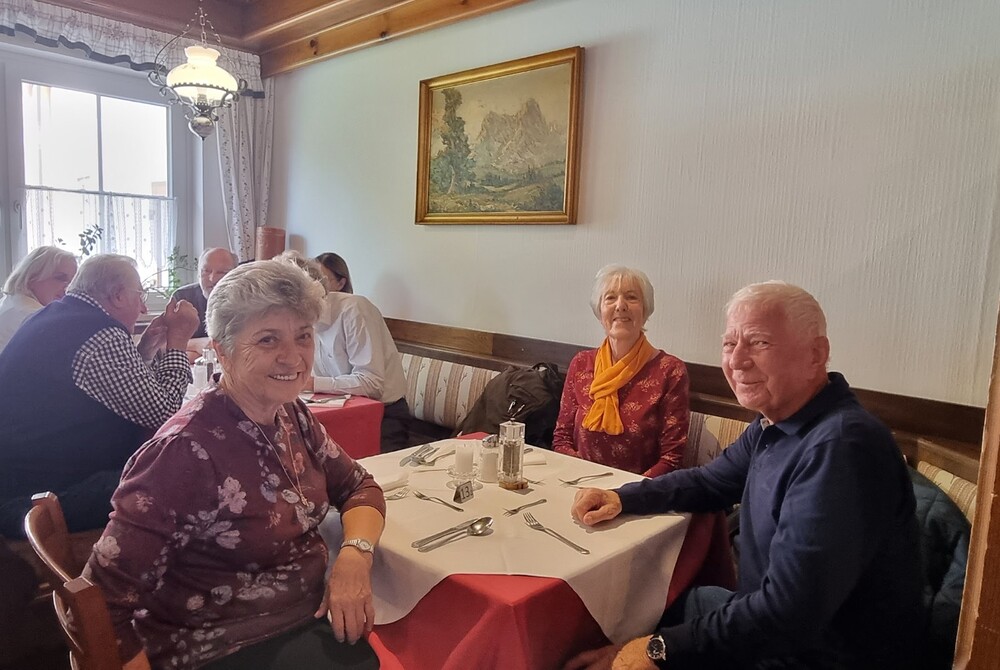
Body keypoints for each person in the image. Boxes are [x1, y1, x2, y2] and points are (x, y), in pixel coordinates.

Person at [567, 281, 924, 670]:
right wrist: (624, 497)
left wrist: (658, 650)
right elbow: (709, 482)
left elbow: (788, 615)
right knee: (635, 610)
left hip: (818, 656)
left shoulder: (841, 447)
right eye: (729, 344)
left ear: (816, 354)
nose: (736, 361)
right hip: (771, 628)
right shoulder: (778, 421)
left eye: (759, 343)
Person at [83, 260, 385, 670]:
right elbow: (100, 598)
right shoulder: (183, 453)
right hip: (218, 647)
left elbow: (359, 487)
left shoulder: (291, 414)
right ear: (222, 352)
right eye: (267, 340)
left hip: (301, 619)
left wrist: (355, 555)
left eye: (303, 336)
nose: (293, 357)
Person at [0, 254, 199, 538]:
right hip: (38, 497)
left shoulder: (57, 315)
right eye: (140, 296)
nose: (144, 307)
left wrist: (144, 351)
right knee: (183, 470)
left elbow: (119, 393)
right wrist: (178, 340)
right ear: (118, 295)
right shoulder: (99, 335)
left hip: (20, 478)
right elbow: (164, 413)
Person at [552, 265, 689, 477]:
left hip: (638, 490)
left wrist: (624, 492)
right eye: (610, 298)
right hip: (579, 483)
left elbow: (672, 457)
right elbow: (562, 439)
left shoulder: (670, 371)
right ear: (599, 311)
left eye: (631, 297)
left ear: (645, 310)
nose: (620, 306)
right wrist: (583, 479)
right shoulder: (581, 364)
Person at [307, 252, 409, 452]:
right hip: (337, 411)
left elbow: (371, 383)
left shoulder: (354, 310)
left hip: (384, 416)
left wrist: (312, 383)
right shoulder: (302, 321)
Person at [0, 245, 77, 352]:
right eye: (60, 278)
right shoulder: (31, 316)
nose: (68, 287)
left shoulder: (11, 301)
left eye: (72, 281)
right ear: (31, 278)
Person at [172, 247, 238, 339]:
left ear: (235, 275)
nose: (212, 279)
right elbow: (170, 342)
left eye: (221, 273)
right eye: (206, 271)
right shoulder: (182, 297)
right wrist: (203, 344)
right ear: (198, 274)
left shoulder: (244, 299)